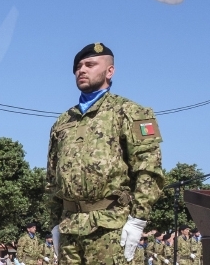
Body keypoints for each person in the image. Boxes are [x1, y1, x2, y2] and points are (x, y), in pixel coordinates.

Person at [46, 42, 165, 264]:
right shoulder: (63, 122)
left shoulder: (131, 112)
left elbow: (149, 169)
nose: (81, 70)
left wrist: (138, 219)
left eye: (90, 65)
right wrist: (54, 223)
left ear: (110, 71)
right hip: (69, 226)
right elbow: (52, 179)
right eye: (78, 67)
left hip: (110, 226)